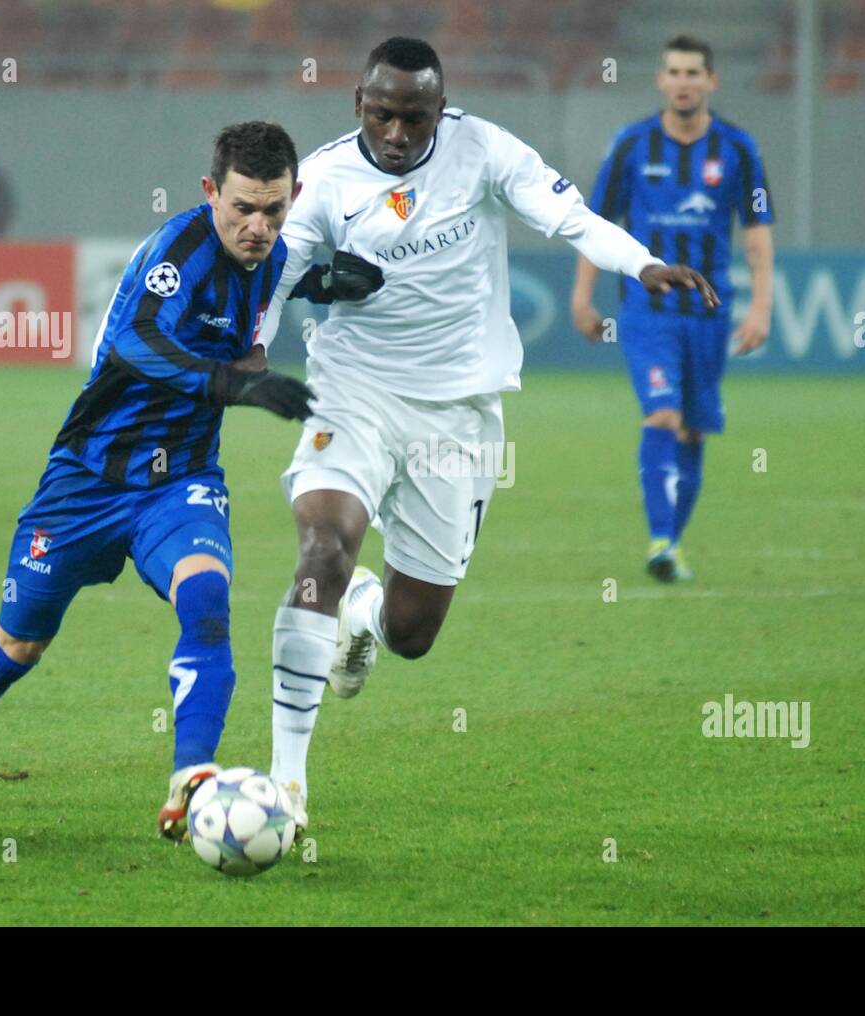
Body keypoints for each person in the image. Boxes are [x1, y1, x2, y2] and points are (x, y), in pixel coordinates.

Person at [253, 36, 718, 827]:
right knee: (323, 547)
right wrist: (253, 361)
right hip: (353, 394)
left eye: (414, 117)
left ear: (441, 109)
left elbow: (567, 215)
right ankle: (286, 785)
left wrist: (640, 265)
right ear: (356, 106)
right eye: (381, 115)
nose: (397, 134)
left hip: (460, 412)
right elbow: (276, 275)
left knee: (411, 633)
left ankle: (361, 616)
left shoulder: (483, 149)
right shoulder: (325, 180)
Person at [0, 122, 318, 844]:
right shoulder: (177, 252)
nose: (258, 227)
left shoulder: (272, 253)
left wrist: (327, 280)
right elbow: (133, 341)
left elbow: (284, 272)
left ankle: (191, 778)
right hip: (88, 480)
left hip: (179, 480)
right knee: (16, 649)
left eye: (274, 210)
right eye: (242, 209)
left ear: (294, 198)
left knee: (208, 595)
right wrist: (229, 384)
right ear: (209, 192)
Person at [571, 34, 775, 582]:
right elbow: (598, 224)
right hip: (647, 307)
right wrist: (582, 295)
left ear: (711, 81)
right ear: (661, 80)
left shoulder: (738, 149)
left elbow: (757, 234)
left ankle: (673, 541)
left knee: (693, 430)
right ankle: (659, 540)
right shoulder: (632, 145)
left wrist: (760, 308)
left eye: (693, 73)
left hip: (710, 311)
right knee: (661, 413)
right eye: (674, 72)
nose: (683, 82)